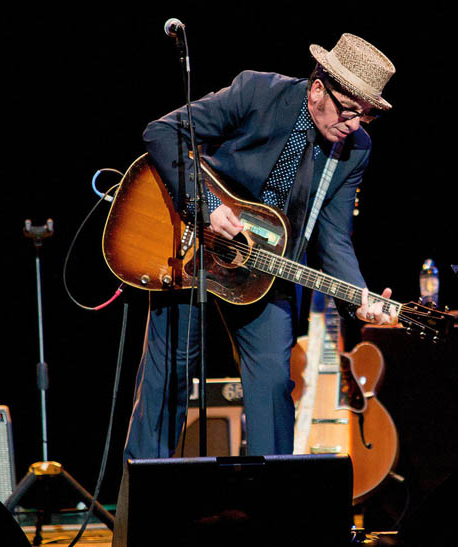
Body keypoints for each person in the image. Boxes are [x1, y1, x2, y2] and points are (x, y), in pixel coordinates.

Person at [123, 33, 398, 460]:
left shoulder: (354, 149)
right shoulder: (258, 92)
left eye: (366, 116)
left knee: (272, 385)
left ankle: (273, 514)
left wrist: (359, 297)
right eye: (349, 110)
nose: (355, 124)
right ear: (318, 89)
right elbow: (163, 132)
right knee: (168, 378)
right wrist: (207, 206)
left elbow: (335, 237)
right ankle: (141, 514)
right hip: (191, 247)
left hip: (269, 272)